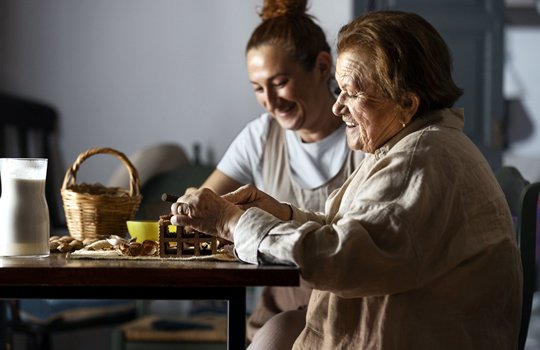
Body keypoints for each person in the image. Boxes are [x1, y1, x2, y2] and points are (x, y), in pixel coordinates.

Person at [172, 10, 522, 350]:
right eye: (338, 91)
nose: (338, 108)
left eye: (352, 93)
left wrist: (231, 221)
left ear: (407, 103)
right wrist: (282, 214)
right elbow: (359, 231)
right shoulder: (411, 146)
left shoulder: (420, 158)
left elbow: (342, 258)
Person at [193, 0, 363, 342]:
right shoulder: (261, 136)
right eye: (258, 88)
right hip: (271, 318)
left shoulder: (363, 136)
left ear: (322, 66)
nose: (270, 101)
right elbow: (205, 201)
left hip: (348, 320)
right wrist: (193, 207)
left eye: (280, 82)